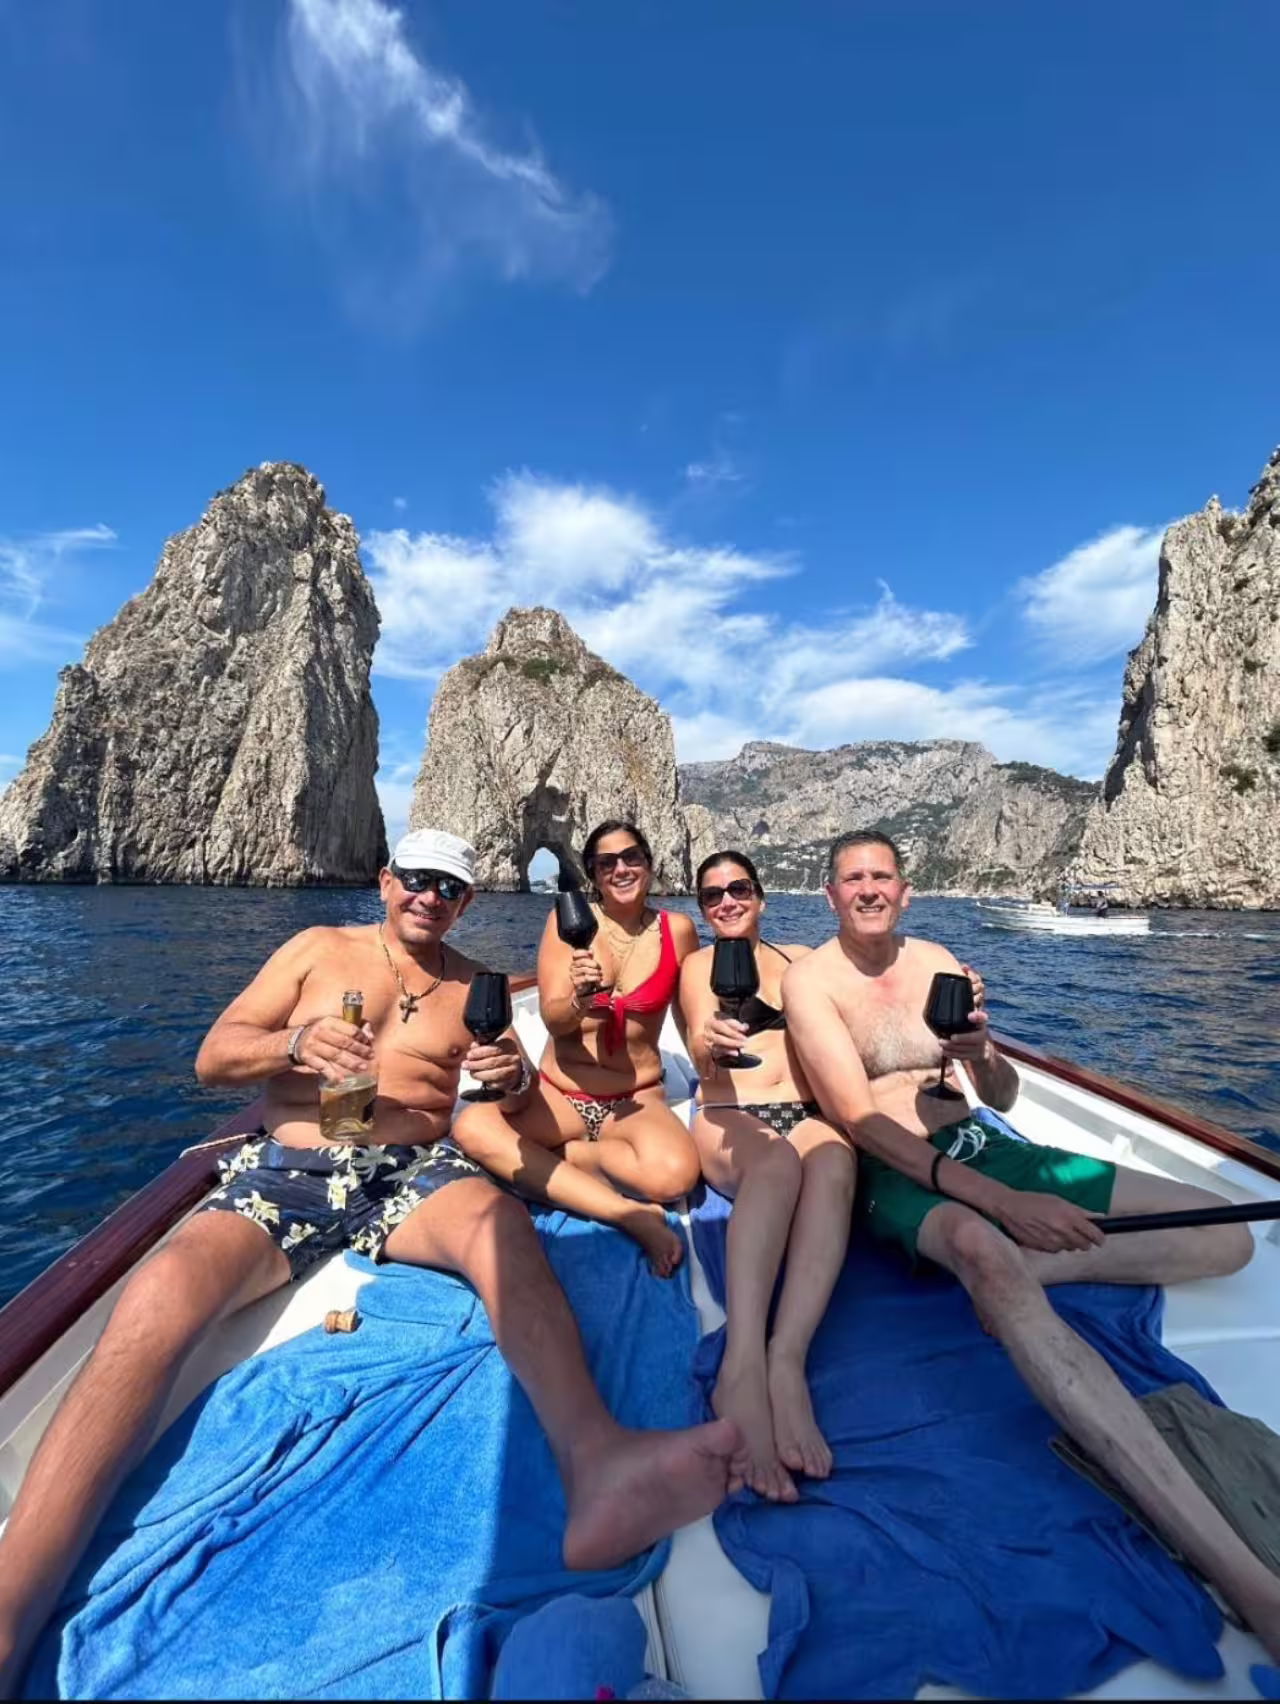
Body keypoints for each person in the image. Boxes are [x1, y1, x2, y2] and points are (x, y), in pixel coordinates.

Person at [0, 829, 743, 1696]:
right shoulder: (320, 950)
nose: (431, 897)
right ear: (386, 880)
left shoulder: (473, 986)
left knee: (502, 1231)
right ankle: (15, 1602)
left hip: (413, 1172)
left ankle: (599, 1463)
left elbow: (526, 1097)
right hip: (299, 1168)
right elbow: (213, 1057)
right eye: (418, 880)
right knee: (161, 1290)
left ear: (466, 903)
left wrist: (506, 1078)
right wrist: (296, 1044)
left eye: (451, 889)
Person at [783, 828, 1280, 1660]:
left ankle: (1020, 1271)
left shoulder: (937, 956)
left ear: (906, 889)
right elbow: (858, 1120)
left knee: (1225, 1237)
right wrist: (1002, 1207)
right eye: (851, 878)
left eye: (883, 875)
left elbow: (1000, 1091)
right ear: (830, 895)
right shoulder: (813, 983)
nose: (868, 888)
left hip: (989, 1145)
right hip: (901, 1174)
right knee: (984, 1252)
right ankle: (1242, 1575)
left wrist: (980, 1052)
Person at [454, 822, 699, 1278]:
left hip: (635, 1098)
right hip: (562, 1095)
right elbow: (553, 1019)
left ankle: (557, 1162)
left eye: (631, 858)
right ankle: (624, 1212)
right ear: (591, 873)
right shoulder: (566, 925)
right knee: (472, 1129)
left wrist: (716, 1076)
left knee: (675, 1177)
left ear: (649, 864)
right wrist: (580, 999)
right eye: (607, 863)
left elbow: (690, 1019)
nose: (621, 869)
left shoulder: (678, 930)